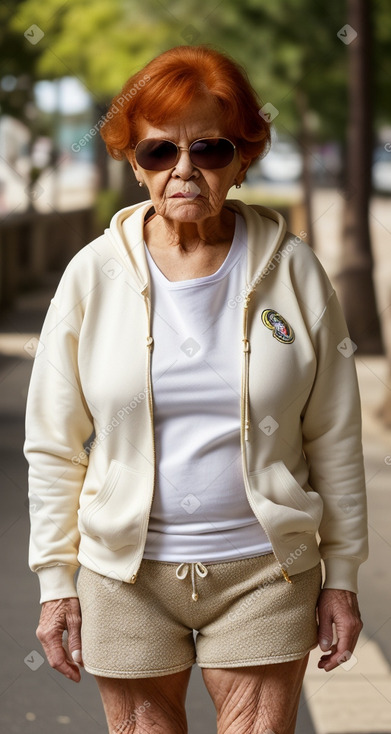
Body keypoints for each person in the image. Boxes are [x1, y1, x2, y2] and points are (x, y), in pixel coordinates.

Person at [24, 44, 368, 734]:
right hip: (126, 575)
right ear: (132, 161)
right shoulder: (92, 276)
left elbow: (333, 434)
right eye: (158, 153)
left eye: (209, 150)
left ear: (242, 157)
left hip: (264, 569)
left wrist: (342, 575)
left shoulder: (295, 273)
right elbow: (53, 443)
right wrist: (55, 583)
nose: (183, 170)